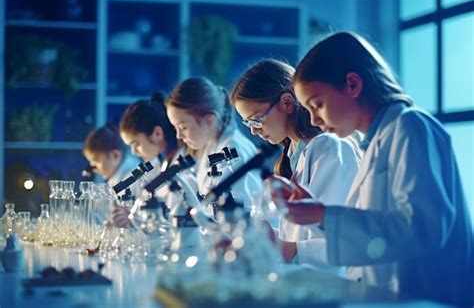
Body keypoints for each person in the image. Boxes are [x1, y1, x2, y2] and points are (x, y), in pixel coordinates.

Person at [285, 31, 473, 306]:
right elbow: (376, 232)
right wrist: (320, 215)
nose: (314, 120)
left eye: (317, 105)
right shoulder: (375, 141)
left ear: (352, 85)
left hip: (428, 298)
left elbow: (424, 228)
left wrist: (326, 215)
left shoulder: (411, 126)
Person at [230, 59, 360, 275]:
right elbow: (298, 231)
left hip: (328, 284)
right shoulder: (294, 157)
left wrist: (285, 249)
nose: (254, 131)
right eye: (248, 124)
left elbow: (339, 233)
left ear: (287, 103)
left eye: (256, 120)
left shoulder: (328, 148)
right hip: (304, 280)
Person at [166, 77, 262, 212]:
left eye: (183, 127)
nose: (179, 136)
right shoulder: (211, 147)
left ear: (210, 121)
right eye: (175, 128)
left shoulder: (234, 151)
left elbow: (244, 209)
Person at [111, 92, 188, 228]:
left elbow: (174, 219)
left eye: (137, 144)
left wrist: (135, 221)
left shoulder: (183, 167)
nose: (134, 152)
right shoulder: (163, 164)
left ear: (157, 134)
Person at [83, 123, 141, 196]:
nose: (93, 169)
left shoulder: (132, 181)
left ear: (115, 155)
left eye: (97, 160)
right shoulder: (115, 179)